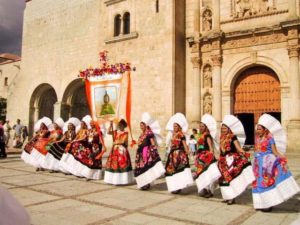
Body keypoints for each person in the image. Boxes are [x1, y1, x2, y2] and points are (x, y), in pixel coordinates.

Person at [252, 114, 300, 212]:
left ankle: (268, 204)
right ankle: (260, 203)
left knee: (266, 183)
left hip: (266, 165)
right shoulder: (257, 139)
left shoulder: (270, 139)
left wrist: (282, 158)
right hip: (257, 164)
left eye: (260, 129)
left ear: (265, 130)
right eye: (257, 129)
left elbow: (275, 152)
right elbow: (257, 150)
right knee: (257, 183)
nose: (258, 131)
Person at [218, 115, 255, 205]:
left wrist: (244, 154)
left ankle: (232, 197)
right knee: (223, 179)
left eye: (225, 128)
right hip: (223, 160)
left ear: (229, 128)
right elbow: (220, 150)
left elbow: (238, 148)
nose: (223, 130)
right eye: (222, 128)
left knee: (230, 179)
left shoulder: (233, 137)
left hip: (231, 159)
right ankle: (227, 196)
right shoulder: (221, 138)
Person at [134, 112, 165, 190]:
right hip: (140, 154)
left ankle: (147, 182)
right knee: (141, 168)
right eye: (140, 125)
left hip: (147, 153)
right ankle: (143, 182)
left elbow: (152, 142)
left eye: (142, 125)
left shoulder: (149, 133)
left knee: (146, 167)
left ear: (145, 125)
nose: (141, 127)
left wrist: (154, 151)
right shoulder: (141, 134)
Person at [165, 113, 194, 194]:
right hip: (172, 154)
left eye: (176, 126)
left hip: (180, 155)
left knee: (179, 170)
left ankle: (179, 186)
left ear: (179, 127)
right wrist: (168, 151)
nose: (174, 128)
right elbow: (171, 145)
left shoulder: (182, 135)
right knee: (171, 170)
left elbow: (185, 145)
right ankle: (175, 186)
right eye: (173, 126)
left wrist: (188, 153)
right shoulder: (172, 134)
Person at [194, 114, 221, 198]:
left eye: (202, 126)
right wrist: (196, 155)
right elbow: (198, 147)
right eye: (200, 126)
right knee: (202, 173)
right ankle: (204, 187)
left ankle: (210, 190)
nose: (201, 128)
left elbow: (210, 147)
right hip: (200, 157)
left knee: (208, 172)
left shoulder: (207, 135)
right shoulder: (200, 135)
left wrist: (210, 157)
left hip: (206, 157)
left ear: (206, 127)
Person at [104, 119, 134, 185]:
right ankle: (113, 180)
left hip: (121, 151)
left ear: (124, 126)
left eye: (121, 125)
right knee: (113, 165)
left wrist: (115, 142)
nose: (120, 126)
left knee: (121, 164)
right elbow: (108, 132)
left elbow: (123, 141)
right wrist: (111, 125)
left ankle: (122, 180)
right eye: (119, 125)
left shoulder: (126, 133)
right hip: (114, 151)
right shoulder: (115, 132)